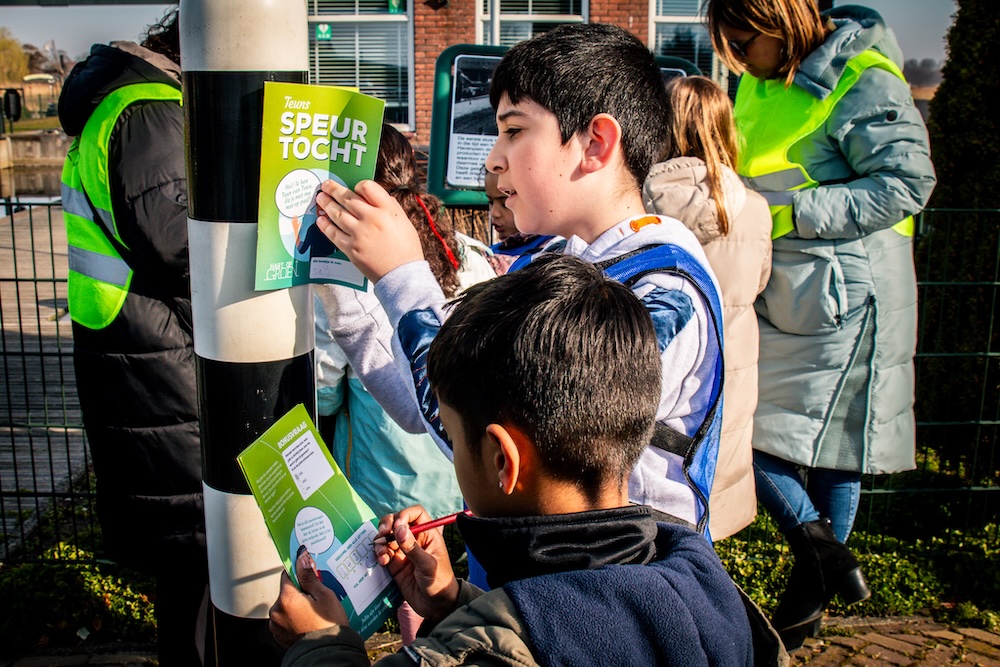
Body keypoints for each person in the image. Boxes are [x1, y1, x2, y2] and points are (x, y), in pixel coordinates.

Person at [311, 23, 724, 537]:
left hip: (611, 598)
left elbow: (501, 437)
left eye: (514, 131)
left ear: (595, 142)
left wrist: (402, 276)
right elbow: (429, 410)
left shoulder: (663, 291)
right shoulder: (555, 261)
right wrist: (341, 283)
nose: (493, 159)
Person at [269, 254, 764, 666]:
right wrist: (453, 604)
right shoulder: (702, 577)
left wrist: (321, 646)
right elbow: (557, 624)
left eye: (456, 441)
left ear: (503, 460)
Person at [705, 0, 936, 648]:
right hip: (786, 286)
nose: (736, 56)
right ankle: (825, 560)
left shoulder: (862, 77)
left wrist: (788, 212)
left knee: (836, 448)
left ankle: (808, 592)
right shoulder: (758, 77)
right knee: (744, 422)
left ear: (781, 20)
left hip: (848, 293)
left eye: (744, 39)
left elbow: (907, 182)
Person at [58, 8, 210, 665]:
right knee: (203, 567)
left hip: (144, 361)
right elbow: (178, 247)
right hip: (165, 372)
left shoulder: (123, 103)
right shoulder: (149, 110)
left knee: (192, 575)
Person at [314, 123, 492, 643]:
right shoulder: (468, 251)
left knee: (403, 582)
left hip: (382, 476)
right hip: (456, 471)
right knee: (435, 575)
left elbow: (326, 384)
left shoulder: (350, 271)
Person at [642, 75, 772, 541]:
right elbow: (758, 282)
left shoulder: (638, 203)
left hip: (660, 370)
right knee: (713, 489)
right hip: (730, 366)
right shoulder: (754, 207)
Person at [484, 170, 547, 275]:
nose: (494, 213)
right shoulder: (487, 253)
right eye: (491, 202)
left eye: (504, 203)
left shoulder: (552, 250)